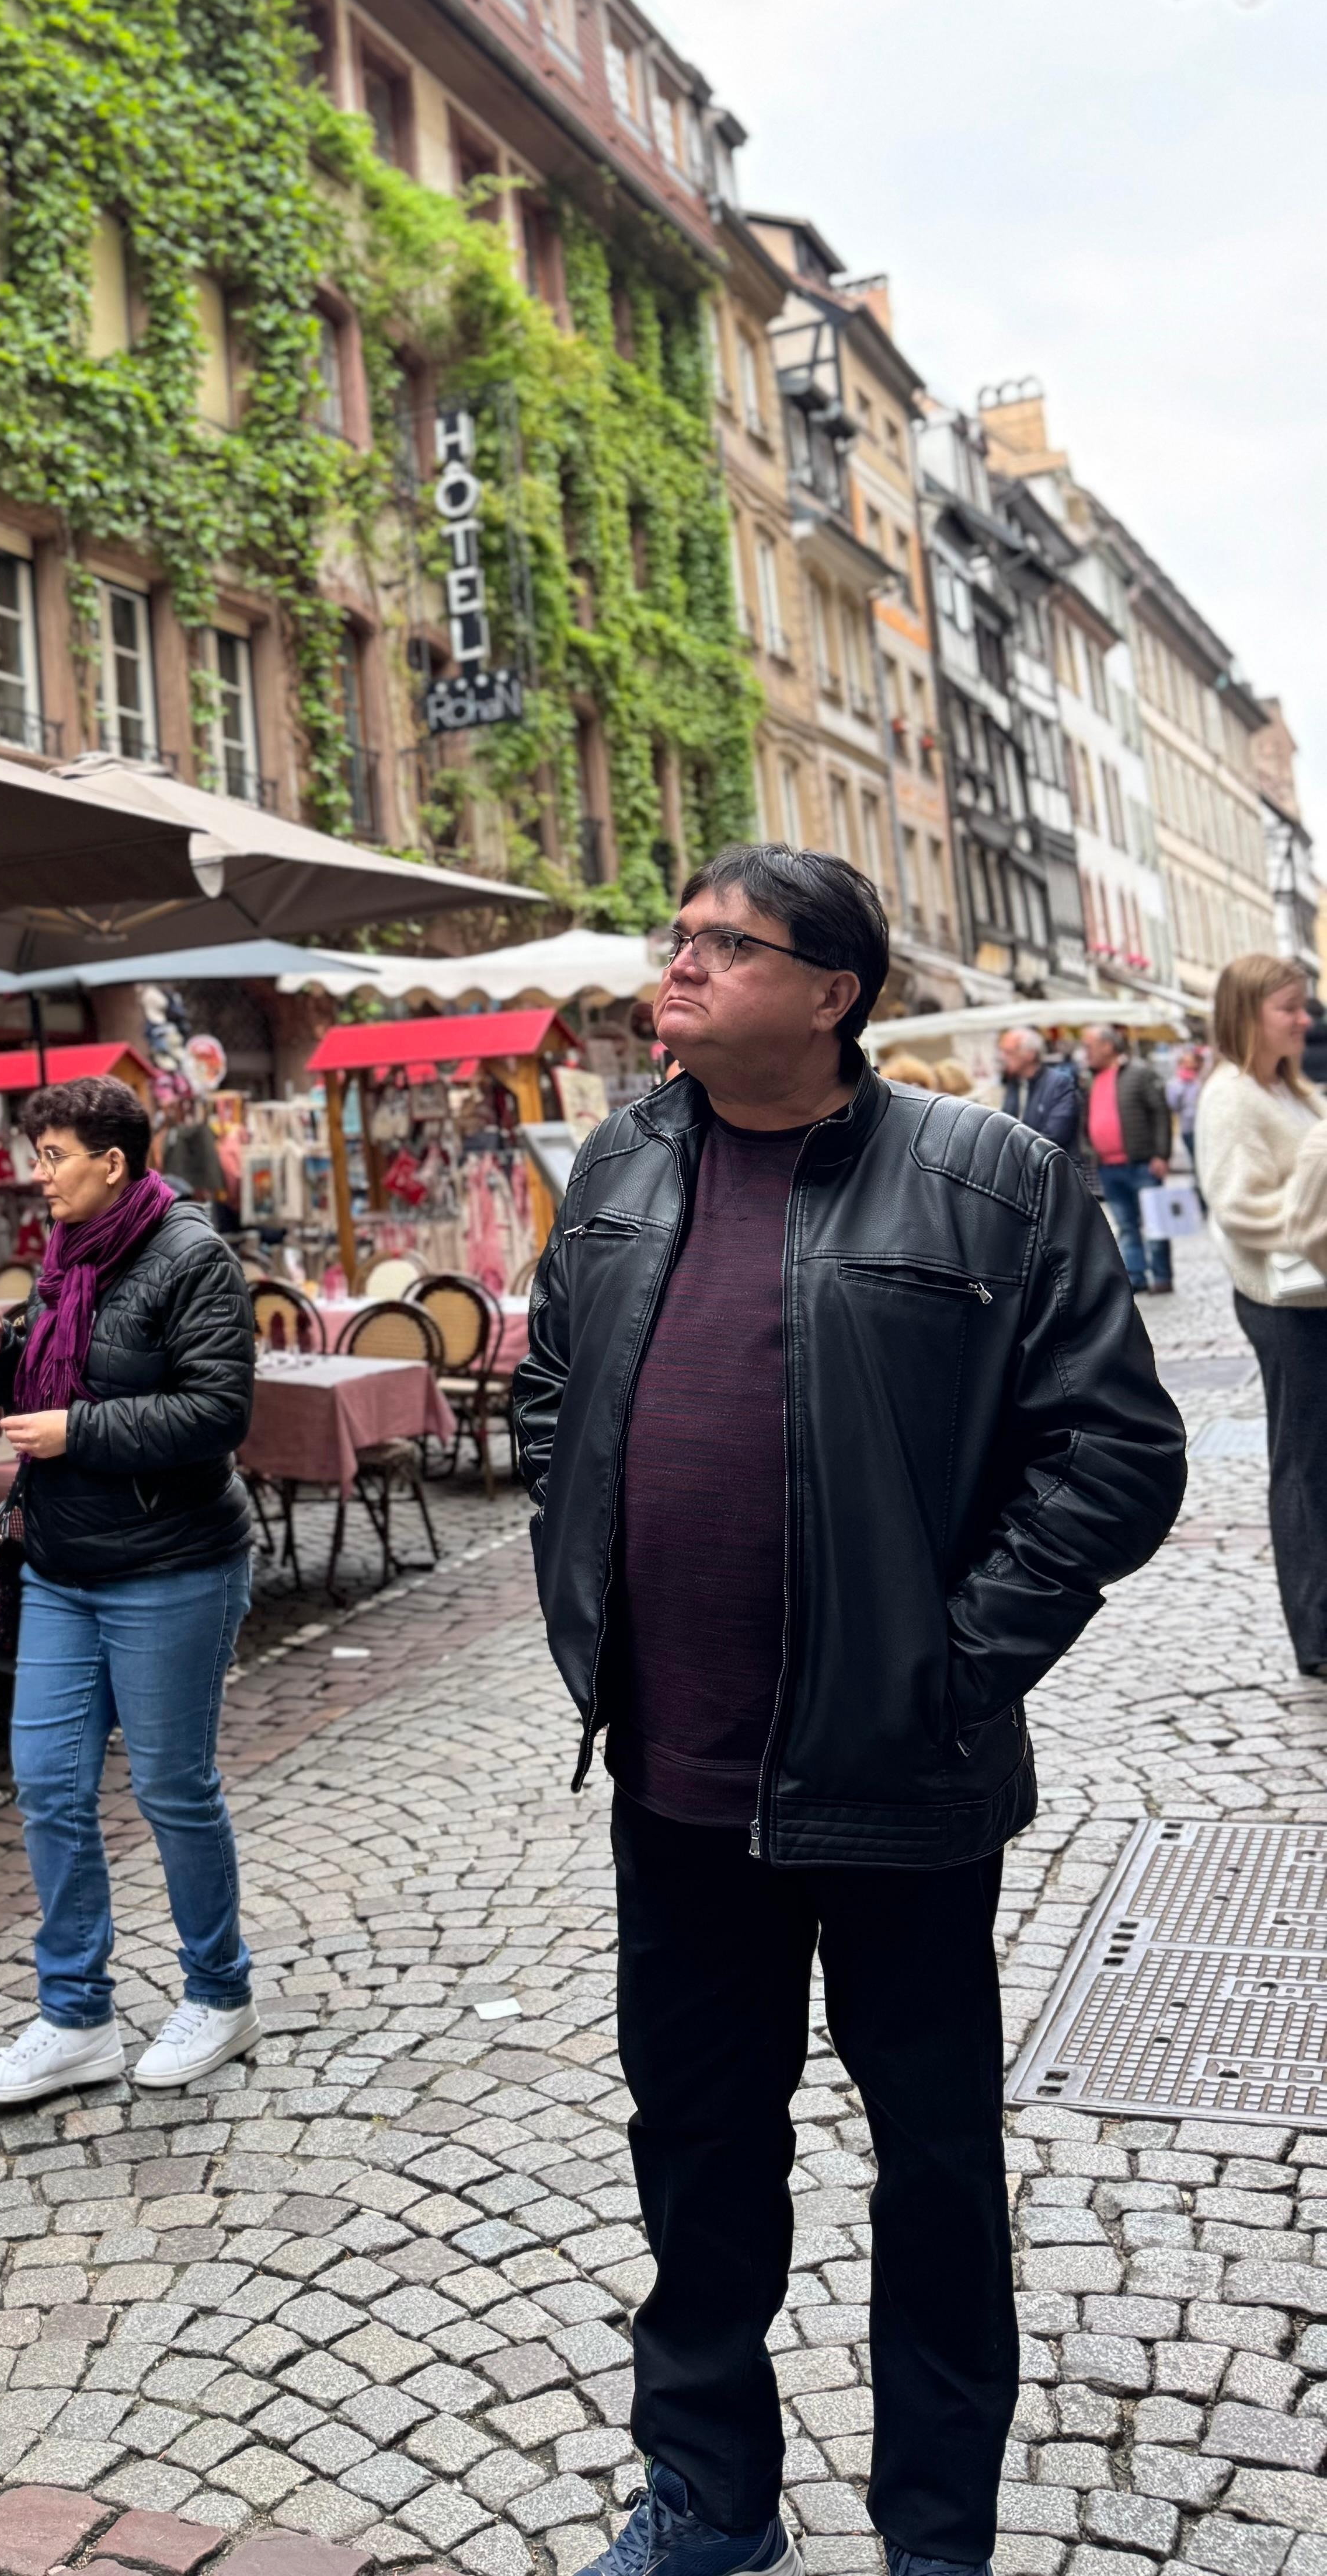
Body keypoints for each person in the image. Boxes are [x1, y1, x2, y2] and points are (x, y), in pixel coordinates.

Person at [517, 844, 1184, 2576]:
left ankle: (937, 2532)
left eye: (724, 945)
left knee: (937, 2167)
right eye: (678, 936)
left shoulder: (988, 1176)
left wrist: (951, 1665)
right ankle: (710, 2494)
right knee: (698, 2151)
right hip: (677, 1777)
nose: (679, 966)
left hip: (903, 1783)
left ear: (832, 990)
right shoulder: (620, 1161)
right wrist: (584, 1577)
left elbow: (1117, 1452)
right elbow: (551, 1386)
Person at [0, 1072, 258, 2108]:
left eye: (52, 1157)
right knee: (46, 1784)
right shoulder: (67, 1253)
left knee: (172, 1787)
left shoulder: (192, 1256)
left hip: (172, 1562)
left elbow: (218, 1411)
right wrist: (0, 1364)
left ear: (112, 1163)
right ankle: (74, 2016)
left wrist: (77, 1431)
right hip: (63, 1563)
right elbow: (58, 1387)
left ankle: (219, 1994)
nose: (37, 1177)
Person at [1193, 955, 1327, 1673]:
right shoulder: (1232, 1098)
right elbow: (1240, 1207)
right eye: (1289, 1008)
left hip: (1315, 1293)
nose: (1305, 1020)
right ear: (1249, 1014)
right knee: (1305, 1462)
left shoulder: (1290, 1090)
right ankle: (1318, 1632)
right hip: (1286, 1300)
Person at [1081, 1023, 1175, 1296]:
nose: (1086, 1053)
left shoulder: (1139, 1073)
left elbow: (1160, 1113)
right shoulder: (1090, 1079)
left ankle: (1162, 1276)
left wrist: (1161, 1154)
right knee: (1126, 1226)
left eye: (1089, 1047)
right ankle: (1136, 1276)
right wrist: (1090, 1148)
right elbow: (1085, 1118)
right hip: (1108, 1166)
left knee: (1156, 1222)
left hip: (1143, 1163)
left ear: (1108, 1046)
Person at [995, 1025, 1087, 1167]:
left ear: (1030, 1054)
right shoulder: (1014, 1084)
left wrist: (1011, 1151)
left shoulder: (1059, 1084)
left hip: (1055, 1171)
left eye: (1009, 1052)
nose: (1002, 1058)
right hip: (1024, 1170)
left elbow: (1054, 1138)